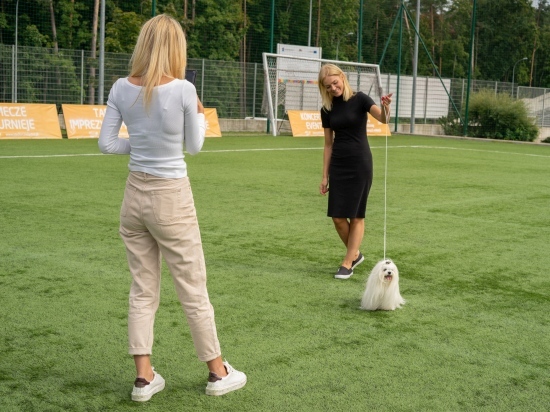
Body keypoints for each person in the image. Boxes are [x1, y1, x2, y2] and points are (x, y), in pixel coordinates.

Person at [98, 14, 246, 401]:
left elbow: (108, 144)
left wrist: (143, 147)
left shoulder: (118, 86)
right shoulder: (183, 89)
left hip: (134, 196)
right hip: (171, 197)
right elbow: (194, 147)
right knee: (192, 287)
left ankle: (144, 379)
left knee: (142, 289)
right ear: (176, 48)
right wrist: (195, 109)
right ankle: (217, 371)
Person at [318, 64, 392, 280]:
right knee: (337, 217)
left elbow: (383, 120)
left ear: (342, 77)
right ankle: (356, 254)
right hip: (339, 165)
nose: (333, 88)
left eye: (335, 82)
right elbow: (328, 145)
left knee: (356, 214)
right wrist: (324, 176)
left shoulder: (360, 99)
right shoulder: (327, 109)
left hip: (360, 163)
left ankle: (348, 262)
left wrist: (386, 107)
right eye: (328, 86)